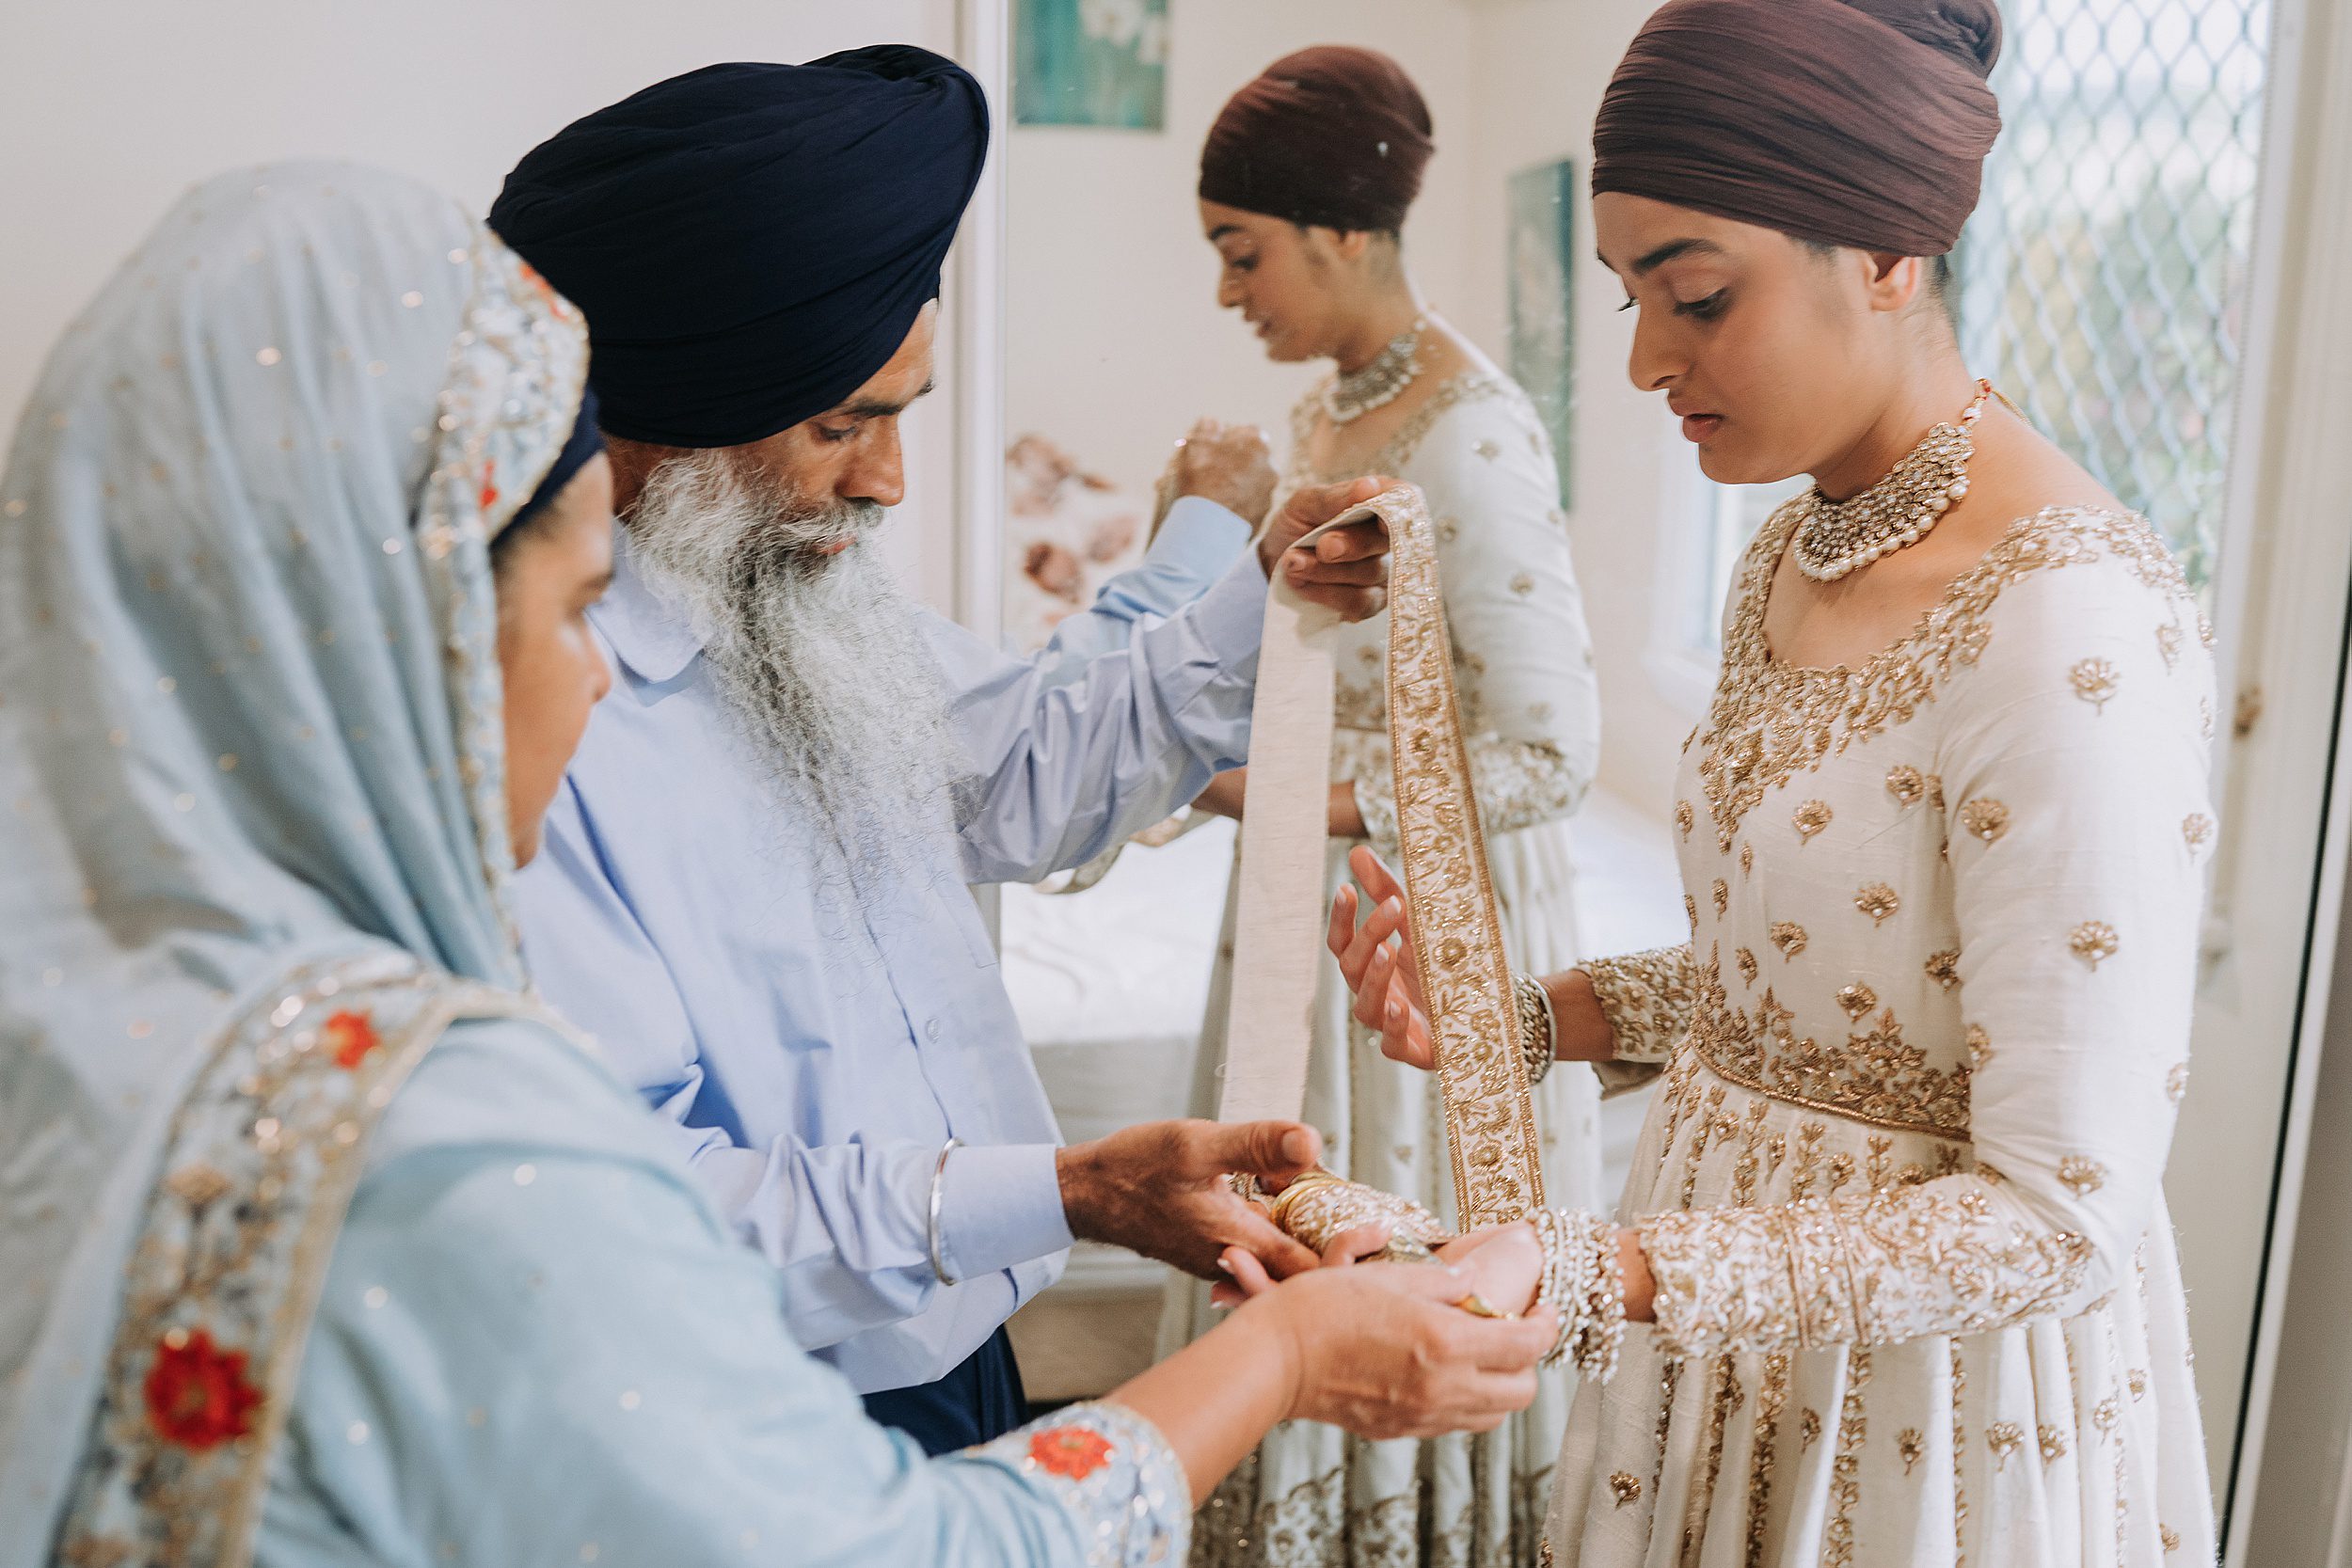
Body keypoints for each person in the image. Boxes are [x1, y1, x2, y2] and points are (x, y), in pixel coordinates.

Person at [0, 165, 1554, 1568]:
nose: (596, 672)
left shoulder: (123, 1015)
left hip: (959, 1333)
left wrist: (1073, 1187)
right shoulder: (437, 1119)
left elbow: (1021, 757)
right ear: (423, 636)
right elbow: (904, 1545)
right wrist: (1282, 1361)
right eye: (569, 608)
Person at [1316, 1, 2219, 1560]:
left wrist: (1614, 1273)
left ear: (1887, 257)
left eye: (1699, 295)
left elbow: (2056, 1212)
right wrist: (1528, 1020)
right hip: (1718, 1332)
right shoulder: (1793, 549)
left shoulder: (2071, 622)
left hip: (1931, 1400)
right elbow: (1802, 985)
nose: (1649, 358)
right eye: (1628, 297)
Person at [486, 49, 1396, 1455]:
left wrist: (1255, 586)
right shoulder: (536, 737)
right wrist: (1072, 1191)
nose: (886, 481)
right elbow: (643, 1200)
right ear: (656, 418)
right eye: (840, 423)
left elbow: (1026, 768)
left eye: (900, 415)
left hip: (967, 1330)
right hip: (767, 1405)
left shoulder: (804, 594)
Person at [1160, 44, 1604, 1566]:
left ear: (1343, 233)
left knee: (1391, 1255)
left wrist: (1300, 802)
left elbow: (1552, 751)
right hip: (1319, 884)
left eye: (1243, 253)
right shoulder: (1338, 411)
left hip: (1414, 922)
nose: (1231, 293)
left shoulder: (1471, 429)